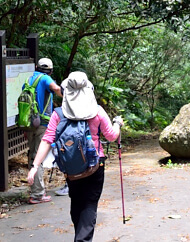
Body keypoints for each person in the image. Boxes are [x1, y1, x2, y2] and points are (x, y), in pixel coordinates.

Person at [27, 71, 123, 242]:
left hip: (72, 168)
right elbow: (111, 136)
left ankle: (80, 237)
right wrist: (117, 124)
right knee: (89, 204)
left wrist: (35, 166)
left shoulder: (59, 114)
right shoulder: (97, 111)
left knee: (76, 205)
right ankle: (82, 239)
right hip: (95, 166)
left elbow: (47, 139)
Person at [25, 57, 63, 205]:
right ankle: (37, 194)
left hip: (29, 122)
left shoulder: (29, 79)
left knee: (32, 155)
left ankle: (35, 189)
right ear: (51, 70)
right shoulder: (46, 79)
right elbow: (56, 89)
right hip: (42, 123)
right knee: (37, 157)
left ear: (36, 66)